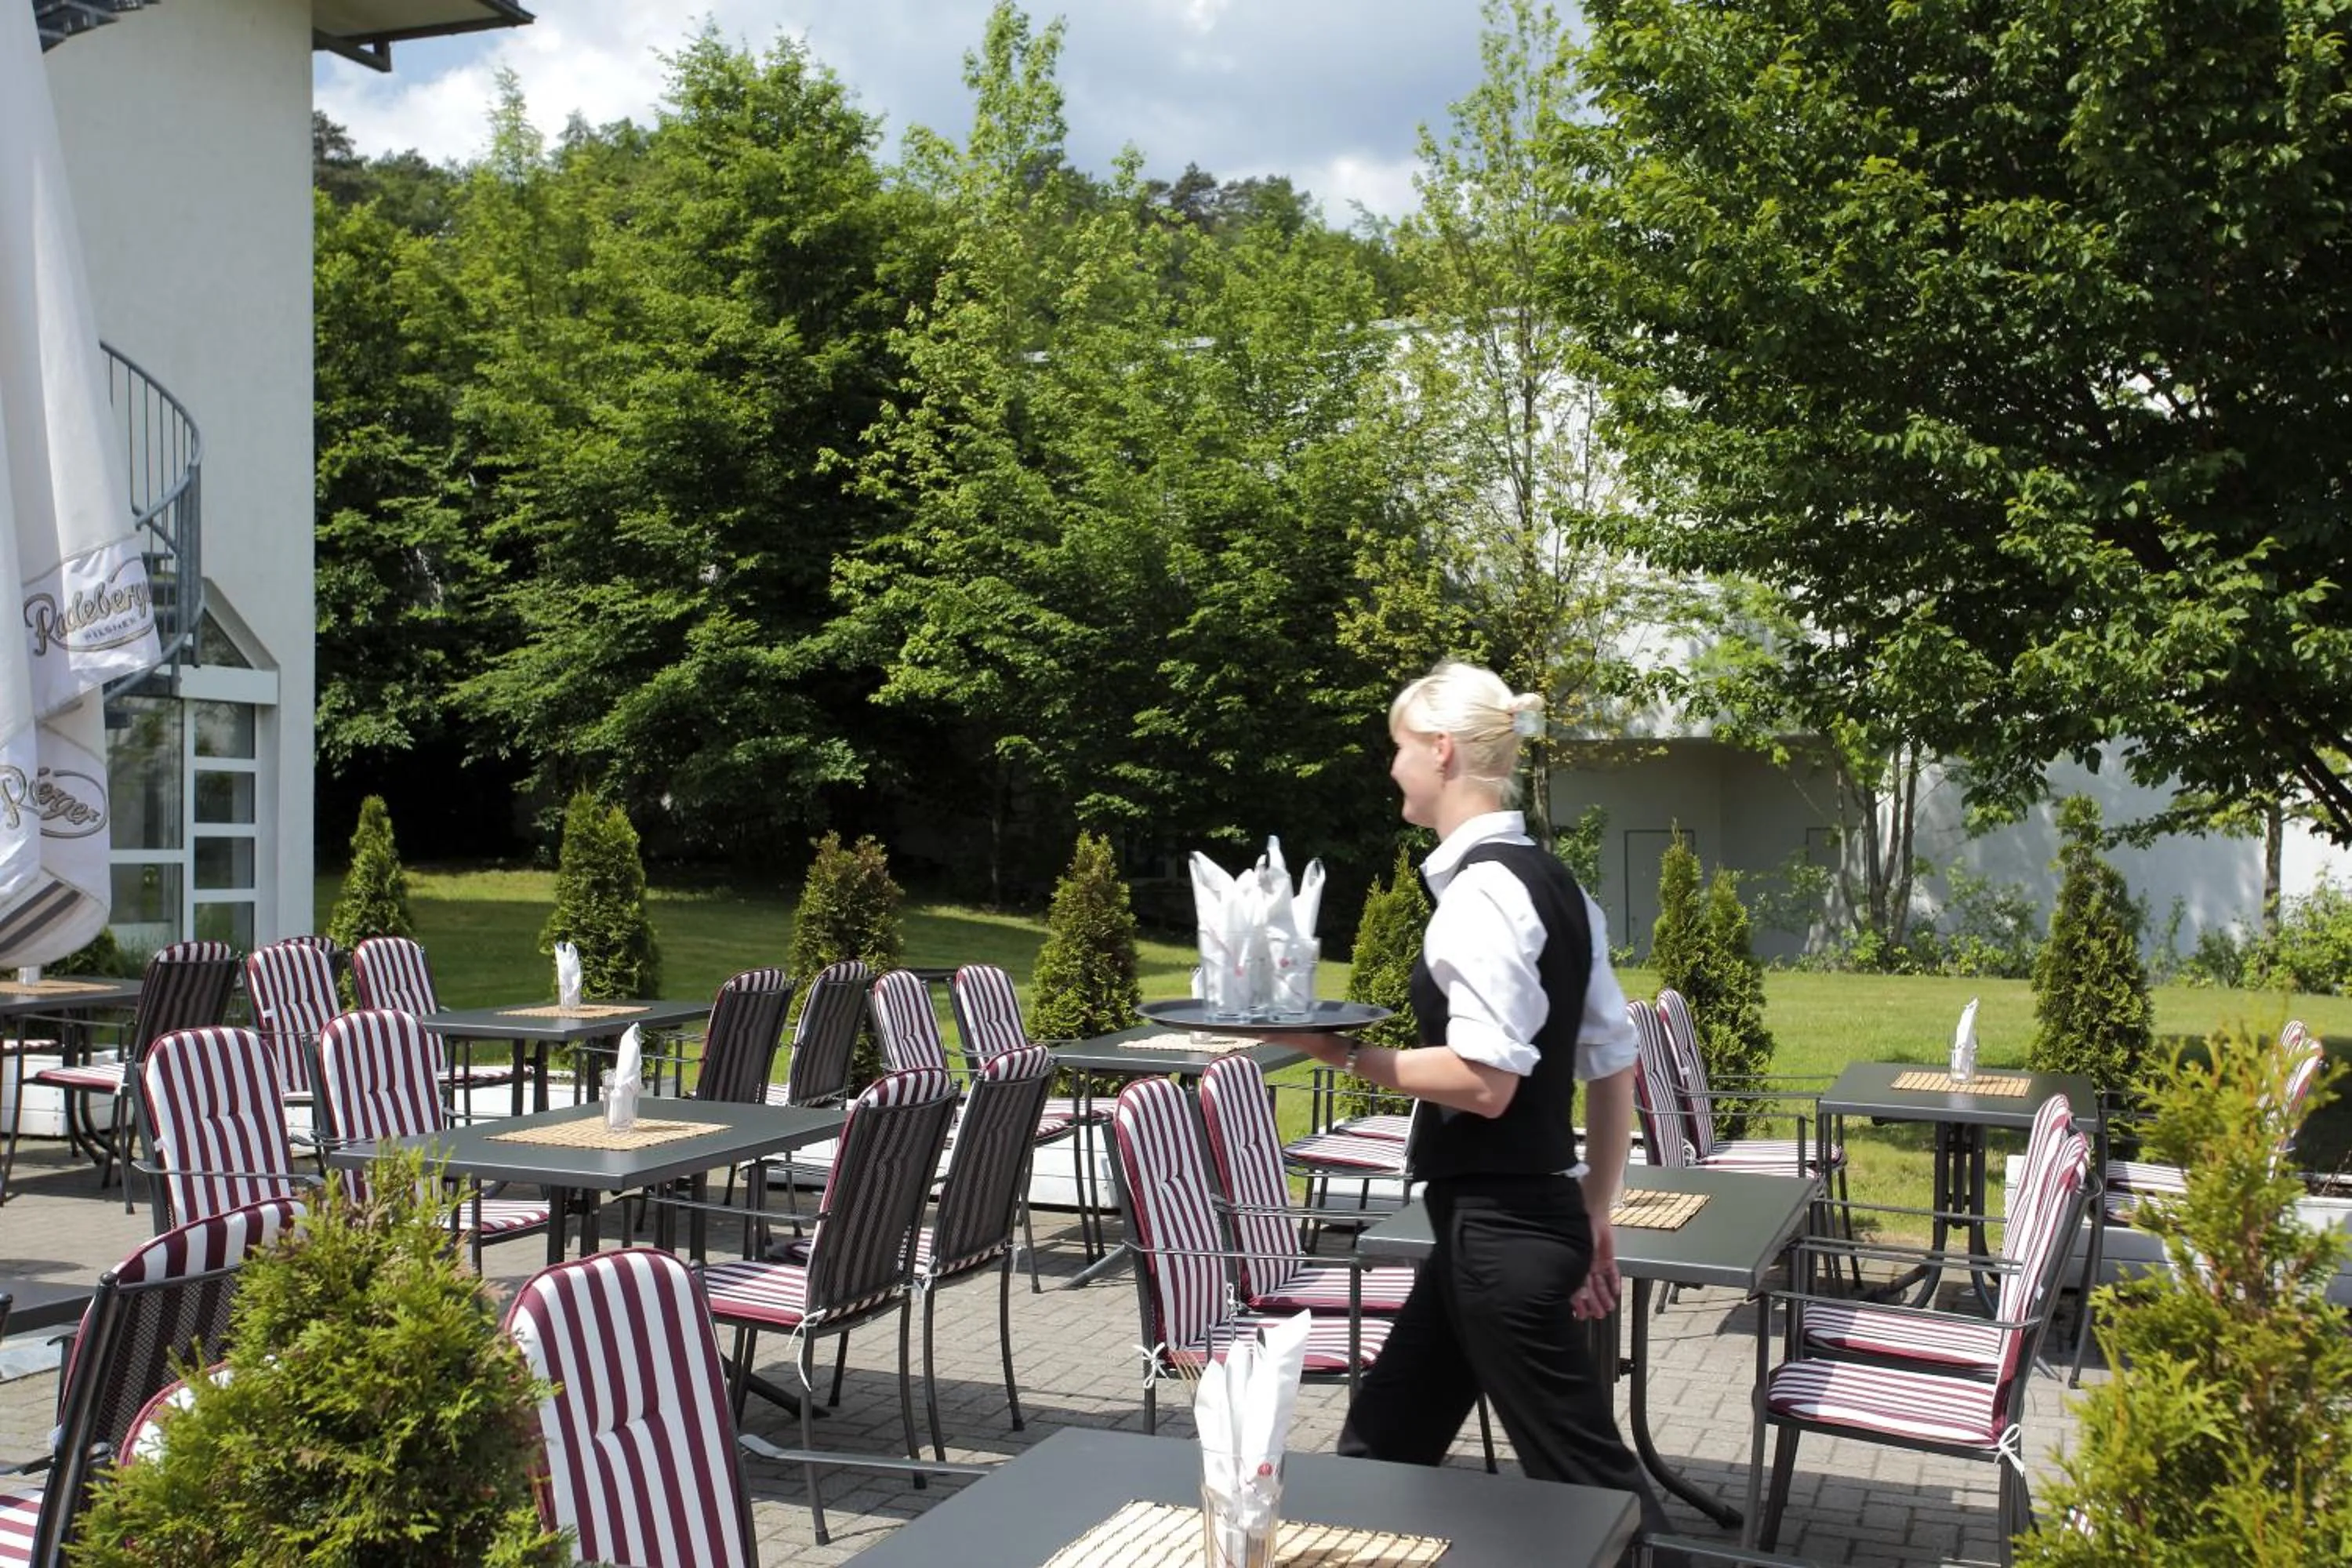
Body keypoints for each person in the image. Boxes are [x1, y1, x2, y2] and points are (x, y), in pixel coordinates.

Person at [1274, 659, 1670, 1538]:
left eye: (1399, 748)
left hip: (1499, 1236)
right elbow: (1611, 1065)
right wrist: (1595, 1210)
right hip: (1495, 1230)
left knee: (1592, 1487)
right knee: (1381, 1450)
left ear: (1442, 750)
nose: (1392, 769)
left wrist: (1343, 1052)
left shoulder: (1484, 892)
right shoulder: (1557, 883)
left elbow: (1485, 1082)